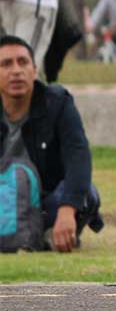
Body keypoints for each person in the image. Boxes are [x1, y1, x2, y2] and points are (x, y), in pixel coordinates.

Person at [0, 35, 103, 252]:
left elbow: (78, 156)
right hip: (4, 202)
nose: (16, 71)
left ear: (35, 70)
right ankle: (30, 239)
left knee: (87, 194)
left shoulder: (57, 103)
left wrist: (67, 209)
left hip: (46, 203)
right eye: (6, 64)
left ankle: (49, 233)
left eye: (23, 62)